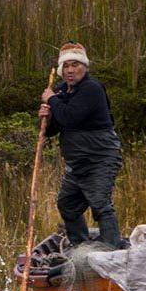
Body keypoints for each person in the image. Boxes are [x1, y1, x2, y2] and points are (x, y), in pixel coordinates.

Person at [38, 42, 124, 248]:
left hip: (100, 157)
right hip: (77, 162)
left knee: (100, 204)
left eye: (75, 65)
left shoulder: (91, 88)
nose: (69, 70)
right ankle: (80, 248)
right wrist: (46, 117)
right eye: (65, 66)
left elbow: (70, 118)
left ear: (84, 66)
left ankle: (111, 251)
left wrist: (52, 101)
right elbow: (53, 129)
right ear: (60, 69)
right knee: (67, 205)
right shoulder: (60, 91)